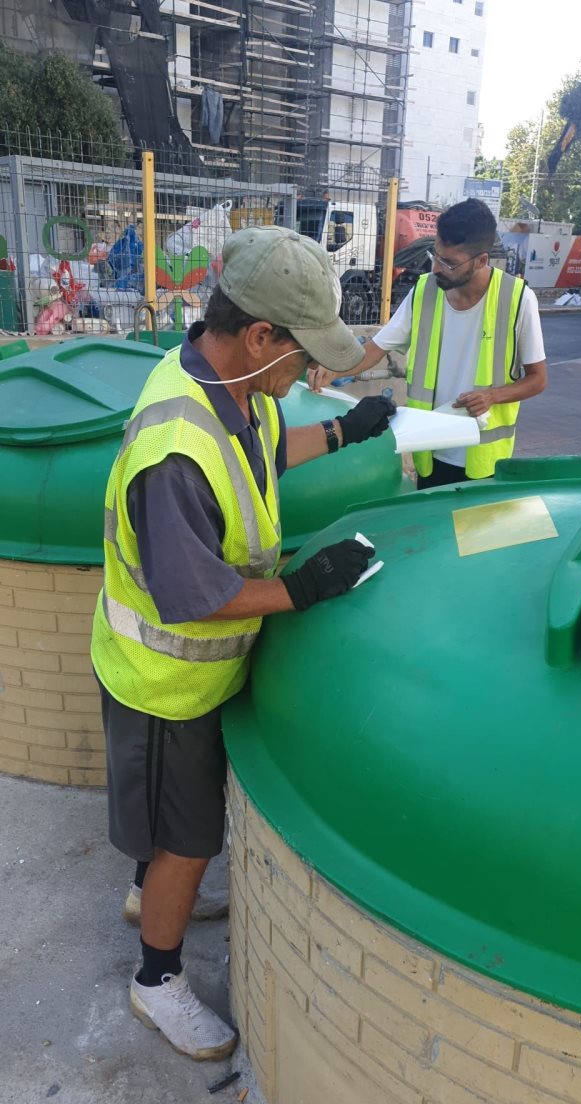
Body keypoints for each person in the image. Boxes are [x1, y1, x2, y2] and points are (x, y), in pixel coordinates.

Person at [91, 225, 395, 1061]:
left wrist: (344, 432)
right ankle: (156, 979)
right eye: (305, 355)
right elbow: (197, 598)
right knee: (188, 840)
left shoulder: (228, 388)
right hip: (163, 683)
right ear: (260, 335)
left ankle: (143, 889)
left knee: (164, 832)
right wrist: (304, 587)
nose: (313, 374)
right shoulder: (176, 446)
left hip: (181, 679)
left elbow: (260, 455)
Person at [309, 198, 547, 486]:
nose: (436, 268)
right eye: (436, 255)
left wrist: (491, 396)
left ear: (482, 260)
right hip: (430, 455)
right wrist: (334, 369)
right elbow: (375, 349)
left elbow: (537, 380)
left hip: (486, 463)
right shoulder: (423, 293)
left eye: (449, 263)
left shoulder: (517, 299)